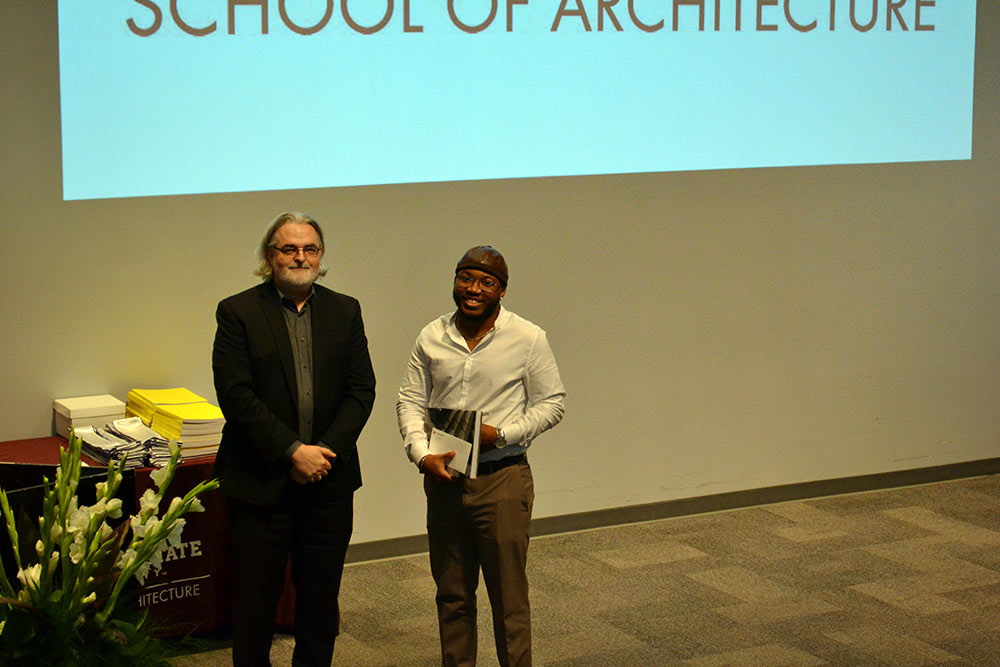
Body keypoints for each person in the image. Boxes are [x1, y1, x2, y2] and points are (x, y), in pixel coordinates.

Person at [212, 211, 376, 666]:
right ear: (270, 257)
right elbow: (236, 396)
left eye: (310, 249)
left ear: (321, 257)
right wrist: (292, 452)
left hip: (329, 481)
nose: (300, 257)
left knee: (320, 602)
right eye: (290, 249)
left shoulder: (346, 310)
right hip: (260, 484)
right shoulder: (237, 312)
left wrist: (322, 454)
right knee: (254, 604)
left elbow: (361, 390)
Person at [396, 246, 566, 667]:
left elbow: (552, 403)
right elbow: (410, 400)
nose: (473, 289)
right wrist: (420, 455)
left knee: (509, 600)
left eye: (486, 282)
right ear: (455, 282)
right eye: (465, 278)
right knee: (452, 595)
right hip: (444, 477)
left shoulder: (528, 338)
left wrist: (503, 435)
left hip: (502, 480)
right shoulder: (431, 335)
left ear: (502, 291)